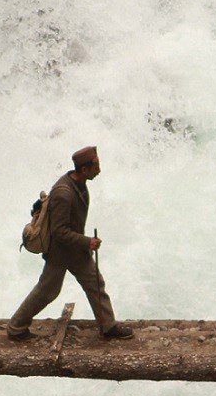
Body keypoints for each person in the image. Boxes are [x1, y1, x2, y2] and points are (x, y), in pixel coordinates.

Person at [7, 146, 133, 341]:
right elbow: (59, 231)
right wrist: (87, 242)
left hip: (75, 251)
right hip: (60, 253)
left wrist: (83, 244)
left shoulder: (79, 184)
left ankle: (108, 326)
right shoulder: (64, 194)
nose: (99, 170)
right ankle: (16, 328)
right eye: (96, 166)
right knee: (47, 291)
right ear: (84, 169)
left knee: (95, 283)